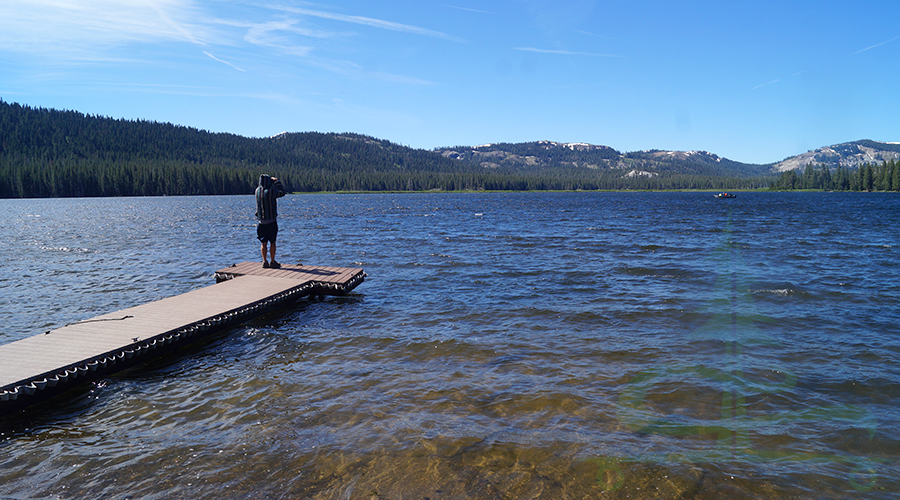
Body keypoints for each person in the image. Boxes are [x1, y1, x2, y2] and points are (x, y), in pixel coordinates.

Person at [255, 174, 286, 268]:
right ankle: (272, 261)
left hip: (261, 222)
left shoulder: (257, 191)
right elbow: (282, 192)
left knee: (263, 243)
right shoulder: (270, 192)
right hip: (271, 221)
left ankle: (264, 261)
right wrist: (276, 182)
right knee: (272, 242)